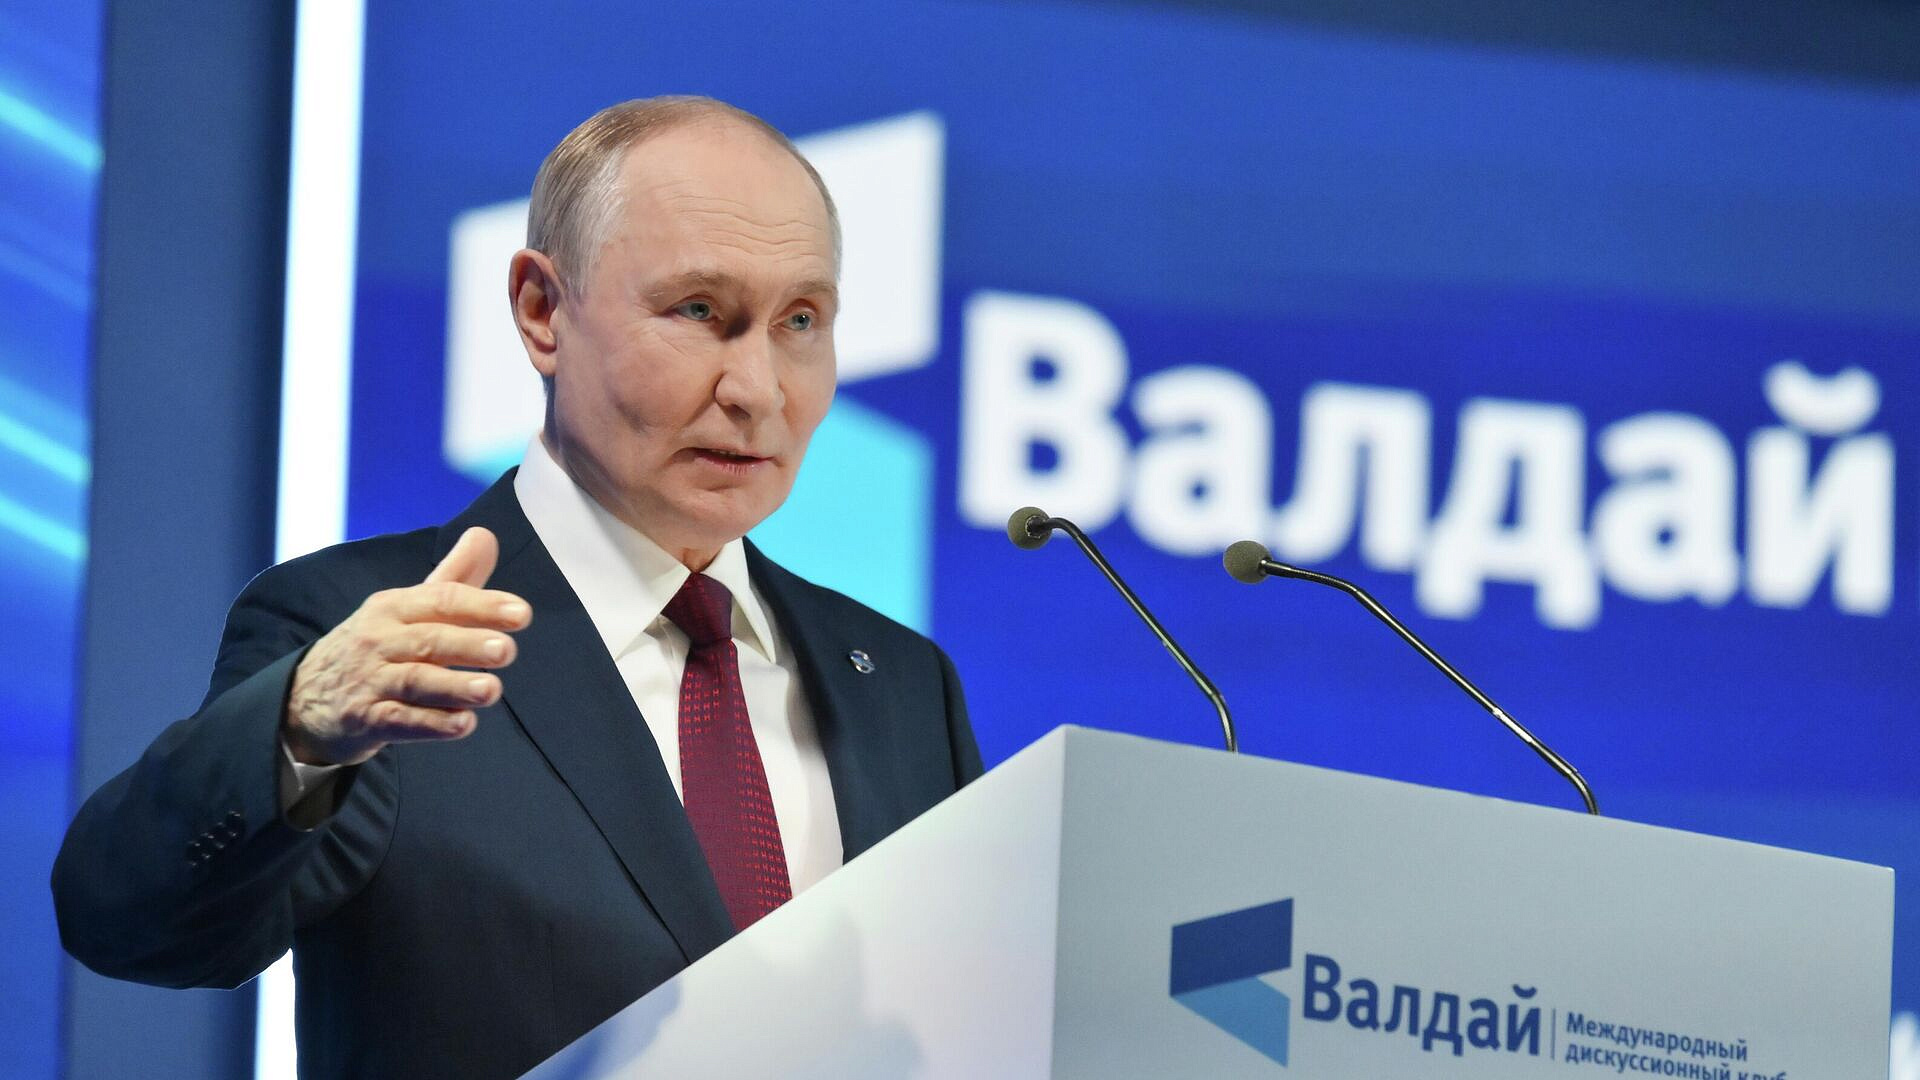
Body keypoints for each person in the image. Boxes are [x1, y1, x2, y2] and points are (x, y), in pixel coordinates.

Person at [53, 96, 983, 1080]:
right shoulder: (368, 641)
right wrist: (298, 731)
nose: (757, 389)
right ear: (543, 311)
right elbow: (130, 922)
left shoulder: (902, 685)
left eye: (800, 321)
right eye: (700, 312)